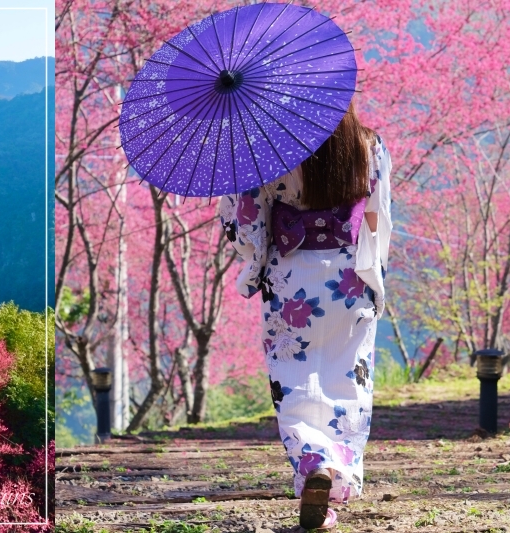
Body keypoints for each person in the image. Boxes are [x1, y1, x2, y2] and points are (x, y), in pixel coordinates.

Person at [218, 102, 392, 530]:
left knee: (294, 378)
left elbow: (244, 221)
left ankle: (314, 461)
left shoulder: (264, 148)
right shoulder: (369, 145)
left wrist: (253, 260)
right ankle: (335, 473)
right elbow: (377, 216)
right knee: (348, 373)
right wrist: (372, 272)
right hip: (351, 276)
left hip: (292, 277)